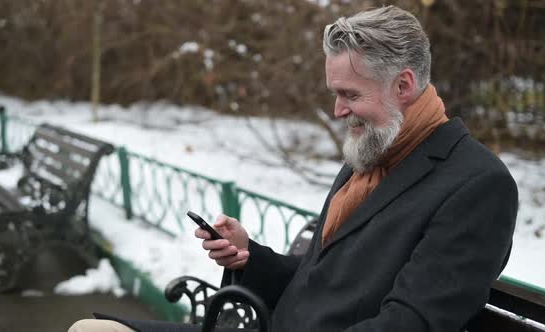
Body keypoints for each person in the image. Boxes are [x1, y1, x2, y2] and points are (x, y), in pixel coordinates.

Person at [69, 5, 518, 332]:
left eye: (350, 95)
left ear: (403, 85)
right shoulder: (373, 152)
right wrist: (249, 257)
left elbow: (411, 323)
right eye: (335, 94)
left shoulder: (478, 185)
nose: (338, 111)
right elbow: (317, 282)